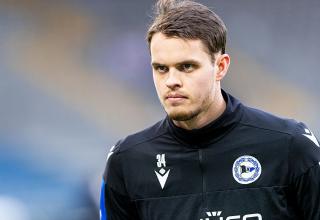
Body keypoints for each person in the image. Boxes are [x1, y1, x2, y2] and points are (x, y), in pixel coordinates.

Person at [100, 0, 320, 219]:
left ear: (221, 67)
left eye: (187, 66)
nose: (171, 81)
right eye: (161, 68)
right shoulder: (127, 161)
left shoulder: (290, 145)